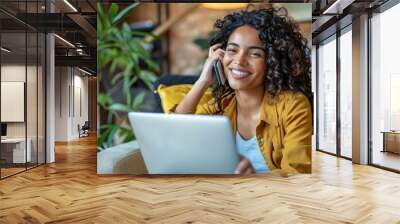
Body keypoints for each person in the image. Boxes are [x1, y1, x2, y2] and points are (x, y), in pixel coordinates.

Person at [174, 7, 312, 174]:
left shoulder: (293, 106)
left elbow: (296, 174)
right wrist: (203, 80)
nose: (239, 61)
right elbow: (177, 132)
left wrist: (254, 178)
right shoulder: (221, 106)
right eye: (232, 50)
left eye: (254, 54)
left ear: (273, 61)